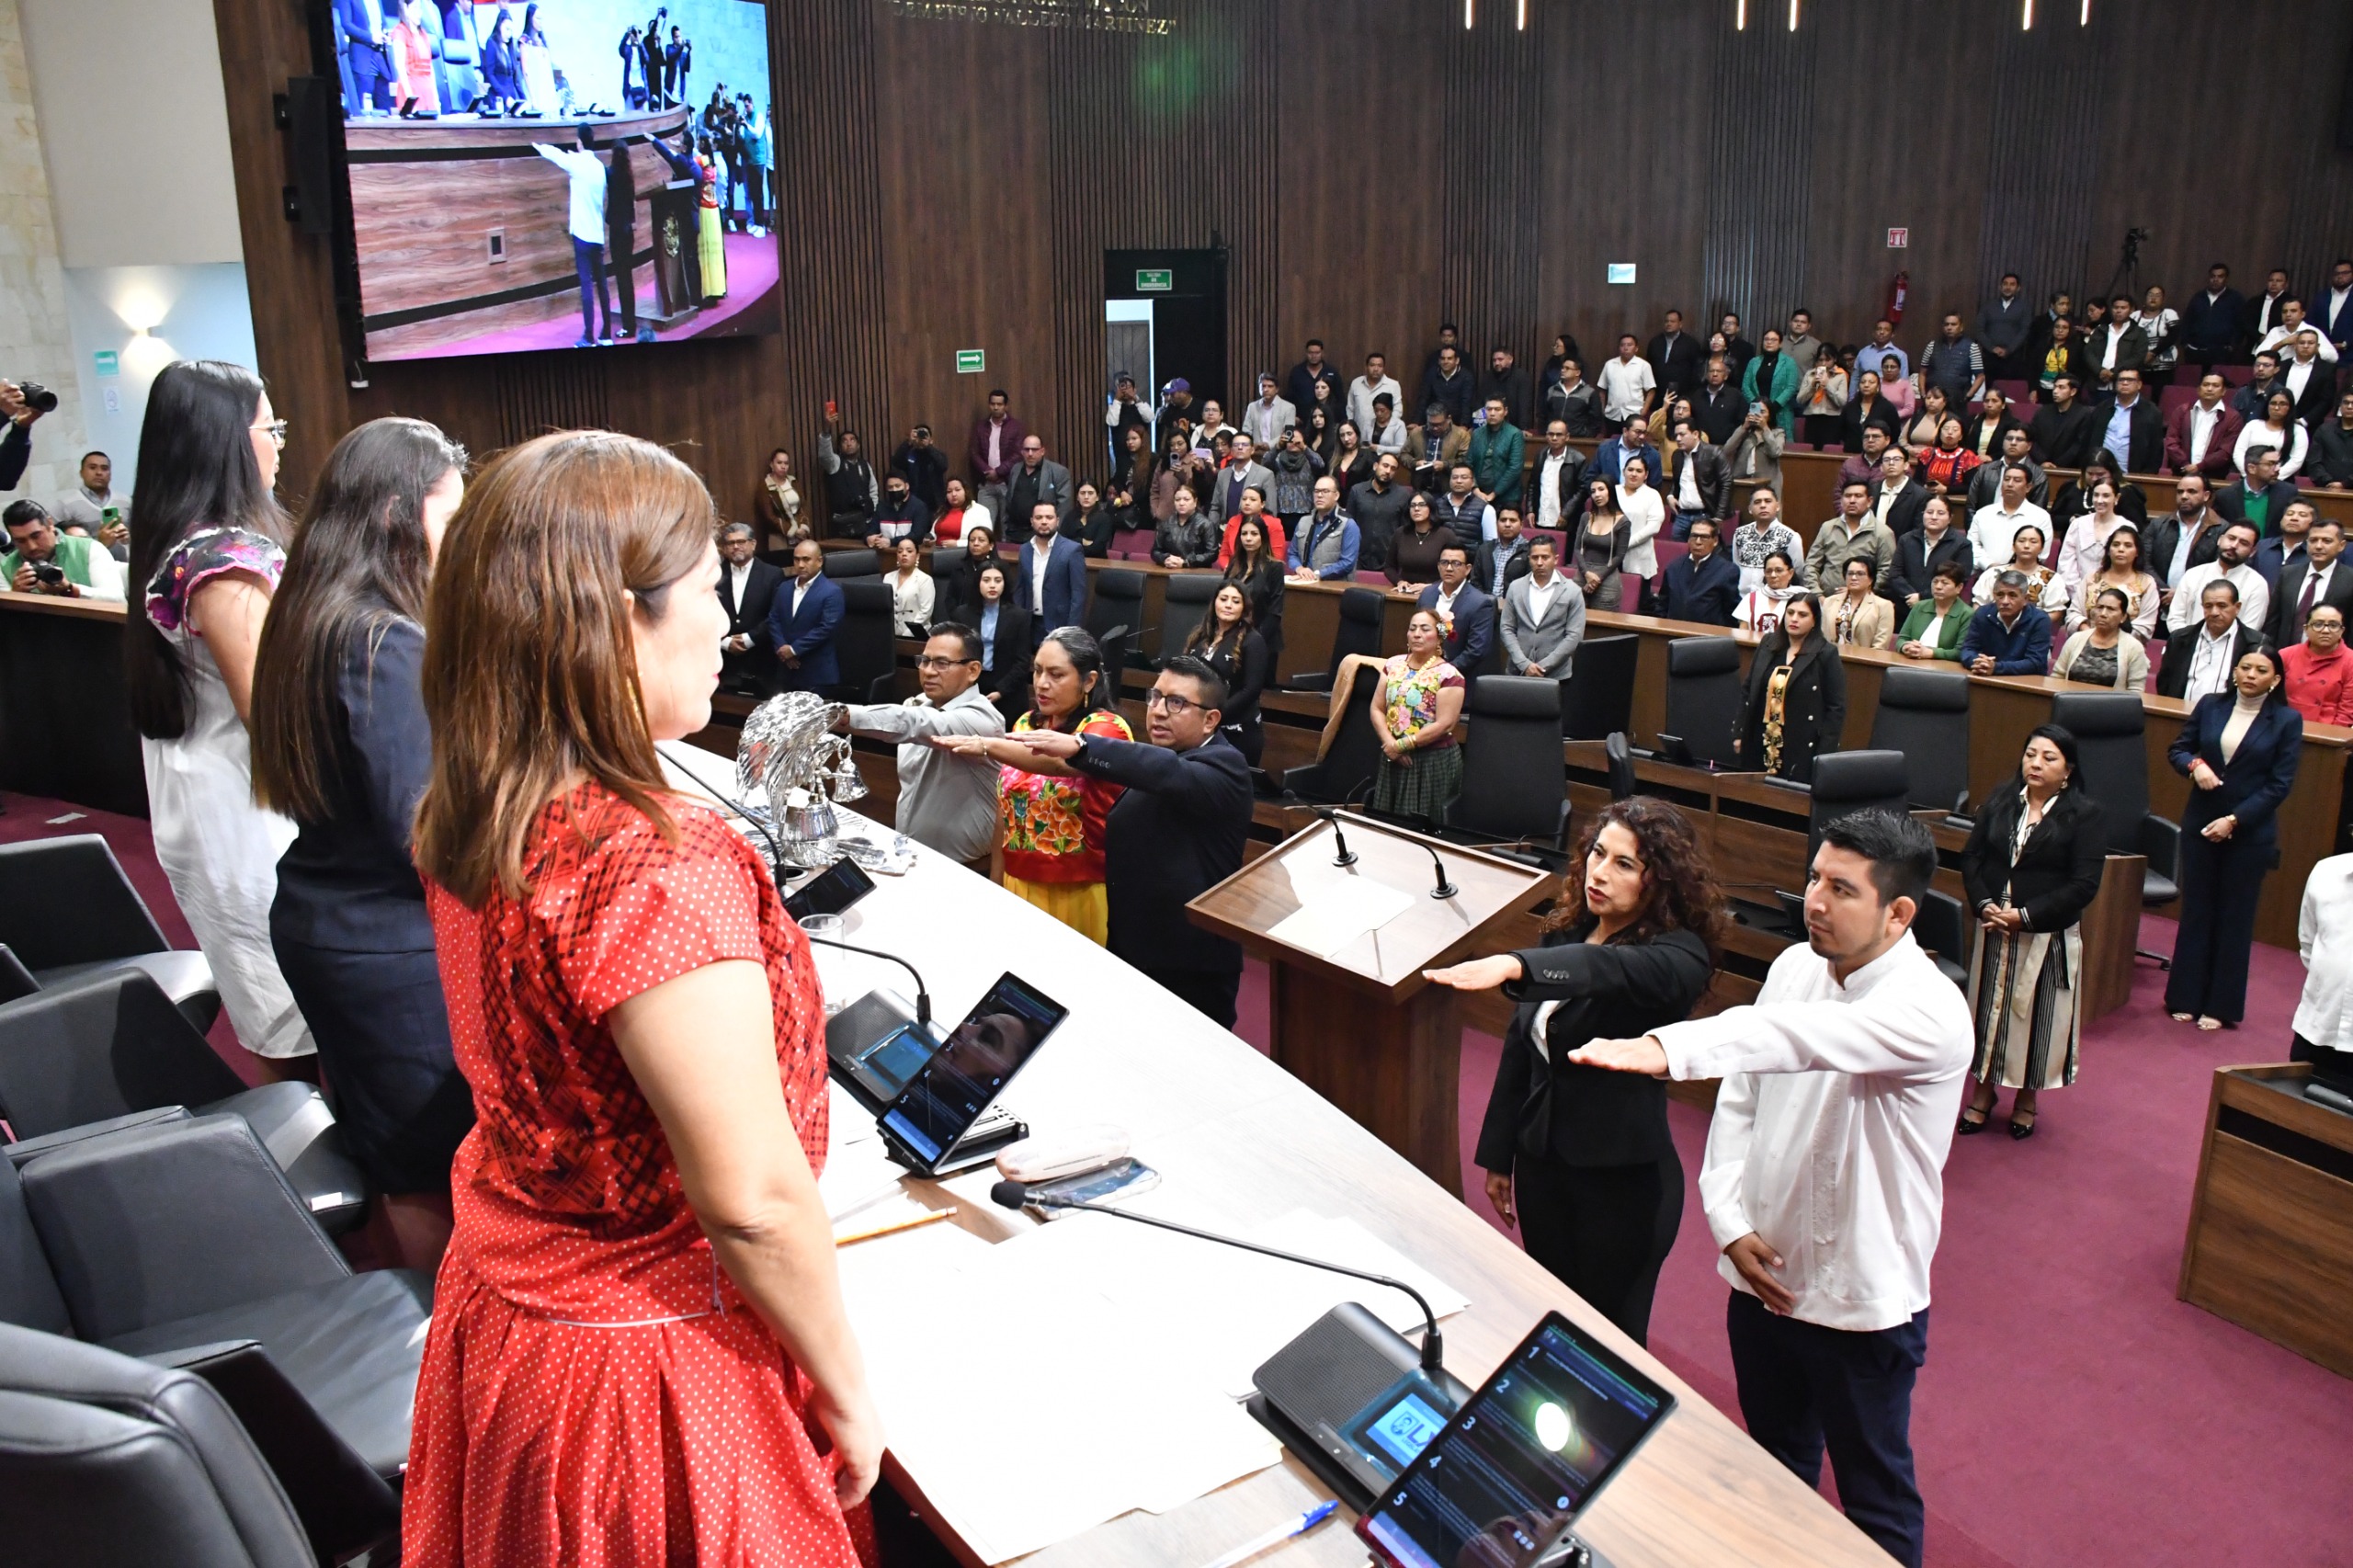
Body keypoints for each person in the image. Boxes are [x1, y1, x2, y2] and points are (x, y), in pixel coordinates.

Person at [401, 430, 880, 1566]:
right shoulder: (652, 865)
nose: (727, 622)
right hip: (641, 1377)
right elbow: (753, 1200)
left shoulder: (487, 793)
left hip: (512, 1318)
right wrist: (845, 1379)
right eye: (709, 591)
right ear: (617, 619)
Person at [1567, 811, 1970, 1568]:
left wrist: (1663, 1046)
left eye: (1841, 889)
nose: (1814, 900)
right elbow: (1741, 1103)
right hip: (1764, 1277)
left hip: (1862, 1302)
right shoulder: (1793, 967)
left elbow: (1792, 1041)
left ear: (1899, 913)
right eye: (1815, 878)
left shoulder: (1929, 1008)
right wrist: (1727, 1221)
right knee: (1772, 1472)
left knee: (1875, 1501)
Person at [244, 417, 469, 1268]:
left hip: (334, 915)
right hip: (389, 943)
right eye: (450, 521)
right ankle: (441, 1349)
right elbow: (425, 824)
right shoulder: (384, 640)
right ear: (395, 518)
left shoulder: (316, 613)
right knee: (425, 1166)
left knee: (396, 1153)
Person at [1432, 799, 1720, 1345]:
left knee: (1607, 1344)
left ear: (1660, 881)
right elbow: (1522, 1049)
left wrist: (1518, 965)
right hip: (1546, 1166)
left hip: (1623, 1185)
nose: (1600, 872)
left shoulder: (1679, 956)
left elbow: (1606, 970)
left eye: (1624, 864)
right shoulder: (1566, 932)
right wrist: (1500, 1153)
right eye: (1597, 854)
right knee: (1551, 1322)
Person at [125, 361, 315, 1074]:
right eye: (271, 428)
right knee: (287, 1032)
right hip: (244, 822)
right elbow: (273, 707)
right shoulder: (220, 563)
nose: (280, 445)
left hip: (216, 803)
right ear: (228, 441)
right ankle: (295, 1179)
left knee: (276, 1017)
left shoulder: (188, 540)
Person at [1024, 657, 1251, 1026]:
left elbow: (1167, 773)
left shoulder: (1225, 765)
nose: (1159, 711)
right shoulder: (1162, 758)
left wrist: (1081, 746)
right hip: (1135, 948)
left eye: (1176, 703)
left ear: (1211, 719)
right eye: (1155, 697)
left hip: (1188, 963)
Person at [1955, 724, 2106, 1144]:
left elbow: (2084, 885)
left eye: (2049, 758)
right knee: (1988, 1012)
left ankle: (2026, 1097)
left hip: (2045, 933)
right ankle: (1983, 1091)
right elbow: (1972, 856)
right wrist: (1984, 903)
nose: (2036, 764)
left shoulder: (2085, 815)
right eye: (2031, 754)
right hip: (1994, 928)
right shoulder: (2003, 801)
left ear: (2068, 770)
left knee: (2037, 1021)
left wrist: (2025, 915)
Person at [936, 628, 1131, 941]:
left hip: (1075, 891)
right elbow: (1006, 807)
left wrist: (988, 744)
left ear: (1089, 681)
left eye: (1056, 674)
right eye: (1038, 671)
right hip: (1017, 881)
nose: (1041, 683)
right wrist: (996, 881)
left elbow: (1059, 763)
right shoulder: (1026, 723)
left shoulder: (1107, 731)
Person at [2166, 647, 2304, 1030]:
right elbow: (2178, 749)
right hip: (2201, 822)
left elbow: (2280, 785)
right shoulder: (2211, 705)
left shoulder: (2287, 721)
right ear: (2235, 671)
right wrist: (2194, 766)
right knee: (2197, 910)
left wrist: (2234, 820)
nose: (2251, 675)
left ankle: (2220, 1006)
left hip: (2248, 832)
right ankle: (2185, 996)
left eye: (2261, 670)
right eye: (2245, 667)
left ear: (2275, 679)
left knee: (2234, 916)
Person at [837, 622, 1005, 871]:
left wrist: (839, 714)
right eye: (924, 661)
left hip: (965, 869)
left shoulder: (983, 719)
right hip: (913, 857)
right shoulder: (919, 704)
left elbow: (914, 723)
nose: (928, 671)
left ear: (973, 670)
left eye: (942, 663)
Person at [1735, 594, 1845, 782]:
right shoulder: (1768, 644)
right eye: (1790, 612)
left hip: (1800, 745)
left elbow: (1836, 708)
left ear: (1814, 621)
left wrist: (1823, 753)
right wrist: (1739, 733)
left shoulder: (1825, 653)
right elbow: (1748, 690)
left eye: (1803, 615)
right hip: (1760, 739)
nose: (1794, 619)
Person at [1370, 608, 1465, 821]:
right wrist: (1390, 745)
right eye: (1412, 628)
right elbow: (1377, 708)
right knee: (1386, 823)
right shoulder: (1393, 665)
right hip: (1392, 756)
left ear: (1439, 636)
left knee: (1422, 824)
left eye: (1424, 629)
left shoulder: (1449, 675)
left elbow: (1445, 724)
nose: (1416, 634)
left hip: (1431, 761)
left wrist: (1402, 745)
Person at [533, 129, 615, 347]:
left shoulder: (576, 163)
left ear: (579, 142)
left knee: (586, 285)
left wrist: (538, 145)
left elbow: (555, 155)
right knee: (603, 285)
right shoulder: (599, 167)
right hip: (597, 235)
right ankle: (606, 334)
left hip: (582, 235)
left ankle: (588, 336)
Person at [1180, 582, 1270, 766]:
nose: (1228, 605)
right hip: (1201, 726)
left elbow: (1251, 690)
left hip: (1237, 733)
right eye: (1223, 599)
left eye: (1236, 601)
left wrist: (1215, 715)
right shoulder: (1200, 635)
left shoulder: (1253, 641)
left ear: (1244, 607)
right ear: (1215, 602)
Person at [2158, 578, 2265, 704]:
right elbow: (2164, 682)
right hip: (2180, 716)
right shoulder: (2180, 638)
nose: (2214, 612)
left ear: (2237, 607)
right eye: (2208, 606)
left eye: (2222, 606)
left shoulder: (2255, 643)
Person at [1498, 533, 1586, 677]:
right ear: (1529, 559)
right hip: (1517, 672)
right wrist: (1524, 664)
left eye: (1545, 557)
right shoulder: (1516, 587)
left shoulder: (1572, 591)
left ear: (1555, 559)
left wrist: (1542, 667)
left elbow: (1574, 636)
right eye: (1535, 557)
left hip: (1556, 675)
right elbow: (1507, 628)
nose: (1539, 562)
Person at [2, 499, 126, 598]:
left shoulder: (89, 549)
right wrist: (15, 596)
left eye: (36, 536)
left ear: (50, 524)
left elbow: (118, 600)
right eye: (20, 541)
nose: (32, 547)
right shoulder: (4, 568)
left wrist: (71, 589)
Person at [764, 538, 843, 692]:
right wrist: (782, 648)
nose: (800, 565)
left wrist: (794, 650)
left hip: (816, 673)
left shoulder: (832, 592)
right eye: (797, 559)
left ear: (819, 561)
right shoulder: (784, 587)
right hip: (785, 671)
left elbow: (826, 628)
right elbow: (773, 619)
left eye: (806, 560)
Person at [2165, 522, 2269, 636]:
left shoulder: (2257, 584)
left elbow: (2250, 629)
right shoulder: (2193, 574)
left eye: (2243, 543)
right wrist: (2192, 642)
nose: (2234, 545)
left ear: (2253, 551)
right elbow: (2175, 618)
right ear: (2220, 540)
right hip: (2185, 645)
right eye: (2231, 538)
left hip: (2231, 651)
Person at [715, 521, 781, 694]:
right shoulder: (713, 575)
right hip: (723, 660)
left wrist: (750, 638)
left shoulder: (772, 574)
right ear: (724, 548)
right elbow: (702, 615)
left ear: (753, 544)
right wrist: (724, 641)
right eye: (730, 543)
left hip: (761, 658)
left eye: (741, 542)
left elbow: (776, 614)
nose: (736, 547)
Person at [2065, 523, 2158, 637]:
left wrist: (2111, 641)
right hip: (2086, 641)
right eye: (2116, 544)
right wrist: (2090, 635)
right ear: (2108, 551)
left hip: (2127, 648)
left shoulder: (2147, 583)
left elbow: (2145, 626)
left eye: (2128, 545)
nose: (2121, 549)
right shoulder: (2091, 578)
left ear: (2137, 552)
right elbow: (2074, 614)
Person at [964, 561, 1032, 716]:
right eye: (986, 580)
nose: (992, 585)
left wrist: (1001, 690)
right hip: (973, 686)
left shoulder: (1019, 617)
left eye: (998, 580)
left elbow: (1022, 662)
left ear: (1005, 584)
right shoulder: (962, 614)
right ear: (978, 583)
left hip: (1008, 689)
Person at [2052, 587, 2150, 691]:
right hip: (2069, 703)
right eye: (2099, 607)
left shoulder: (2134, 647)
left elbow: (2136, 690)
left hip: (2113, 706)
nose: (2103, 614)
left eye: (2111, 609)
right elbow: (2057, 677)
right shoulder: (2076, 639)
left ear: (2123, 617)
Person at [1959, 572, 2054, 676]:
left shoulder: (2039, 620)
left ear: (2026, 599)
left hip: (2025, 684)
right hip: (1986, 677)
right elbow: (1968, 649)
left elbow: (2035, 662)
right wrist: (1978, 663)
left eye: (2012, 595)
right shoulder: (1982, 614)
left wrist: (1996, 667)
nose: (2005, 601)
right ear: (1994, 595)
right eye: (2000, 595)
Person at [1015, 499, 1087, 632]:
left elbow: (1078, 594)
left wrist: (1071, 630)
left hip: (1059, 625)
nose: (1044, 521)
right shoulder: (1025, 549)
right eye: (1039, 517)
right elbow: (1020, 589)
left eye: (1049, 517)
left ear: (1057, 521)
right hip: (1029, 624)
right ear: (1032, 521)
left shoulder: (1072, 550)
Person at [1660, 516, 1738, 626]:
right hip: (1674, 632)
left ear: (1715, 541)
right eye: (1694, 536)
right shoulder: (1674, 567)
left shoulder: (1727, 571)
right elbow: (1663, 604)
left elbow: (1731, 611)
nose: (1698, 542)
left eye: (1704, 537)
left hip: (1707, 637)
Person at [1972, 527, 2065, 616]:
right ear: (2013, 546)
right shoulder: (1993, 574)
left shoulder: (2052, 578)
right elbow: (1978, 606)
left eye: (2033, 542)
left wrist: (2032, 626)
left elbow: (2055, 612)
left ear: (2041, 548)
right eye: (2021, 541)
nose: (2026, 546)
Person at [2284, 605, 2353, 725]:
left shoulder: (2350, 661)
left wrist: (2330, 739)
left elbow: (2347, 711)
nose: (2326, 631)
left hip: (2326, 732)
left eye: (2333, 625)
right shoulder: (2286, 655)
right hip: (2285, 726)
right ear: (2306, 628)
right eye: (2318, 624)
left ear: (2342, 630)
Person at [1895, 560, 1973, 663]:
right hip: (1911, 663)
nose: (1938, 587)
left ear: (1959, 587)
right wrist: (1906, 646)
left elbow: (1960, 651)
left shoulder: (1967, 614)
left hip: (1945, 670)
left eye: (1945, 583)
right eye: (1935, 581)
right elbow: (1902, 639)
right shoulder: (1920, 606)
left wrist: (1930, 653)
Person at [1287, 475, 1360, 581]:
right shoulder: (1303, 522)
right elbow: (1292, 553)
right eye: (1316, 491)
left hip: (1335, 589)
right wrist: (1299, 568)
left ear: (1336, 495)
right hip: (1305, 585)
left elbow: (1348, 562)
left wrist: (1317, 574)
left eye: (1325, 491)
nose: (1319, 495)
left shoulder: (1348, 524)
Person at [52, 449, 131, 546]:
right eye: (92, 468)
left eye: (104, 468)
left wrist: (129, 537)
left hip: (127, 560)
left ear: (110, 474)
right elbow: (54, 541)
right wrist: (101, 543)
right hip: (88, 560)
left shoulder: (126, 502)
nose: (99, 472)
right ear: (81, 473)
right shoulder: (65, 505)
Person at [1388, 490, 1451, 592]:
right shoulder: (1400, 533)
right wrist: (1399, 581)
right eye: (1412, 506)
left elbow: (1456, 571)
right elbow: (1389, 567)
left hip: (1436, 593)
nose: (1416, 509)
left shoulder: (1446, 535)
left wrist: (1431, 587)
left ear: (1431, 508)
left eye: (1422, 505)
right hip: (1406, 592)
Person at [1828, 556, 1893, 651]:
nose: (1854, 578)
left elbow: (1880, 646)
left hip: (1864, 662)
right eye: (1850, 574)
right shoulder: (1830, 601)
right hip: (1830, 660)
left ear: (1871, 579)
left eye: (1860, 574)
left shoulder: (1883, 606)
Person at [1736, 550, 1805, 637]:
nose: (1773, 575)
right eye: (1769, 571)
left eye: (1779, 570)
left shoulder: (1802, 598)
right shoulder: (1751, 598)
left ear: (1790, 573)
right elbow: (1743, 631)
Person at [938, 522, 995, 619]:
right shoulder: (959, 567)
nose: (975, 543)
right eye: (972, 540)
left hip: (988, 619)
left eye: (981, 540)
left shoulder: (997, 569)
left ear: (991, 545)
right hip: (960, 619)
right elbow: (950, 598)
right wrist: (957, 616)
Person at [1796, 344, 1847, 449]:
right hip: (1812, 418)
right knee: (1810, 451)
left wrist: (1827, 385)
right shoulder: (1810, 374)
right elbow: (1800, 400)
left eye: (1827, 360)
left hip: (1832, 419)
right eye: (1820, 360)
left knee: (1829, 451)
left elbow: (1842, 402)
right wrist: (1812, 387)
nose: (1823, 363)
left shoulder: (1841, 375)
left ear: (1835, 359)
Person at [884, 537, 934, 637]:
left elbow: (925, 612)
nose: (904, 554)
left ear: (917, 556)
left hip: (918, 633)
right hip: (891, 633)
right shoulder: (888, 577)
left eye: (909, 551)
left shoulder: (925, 580)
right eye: (900, 551)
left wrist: (907, 634)